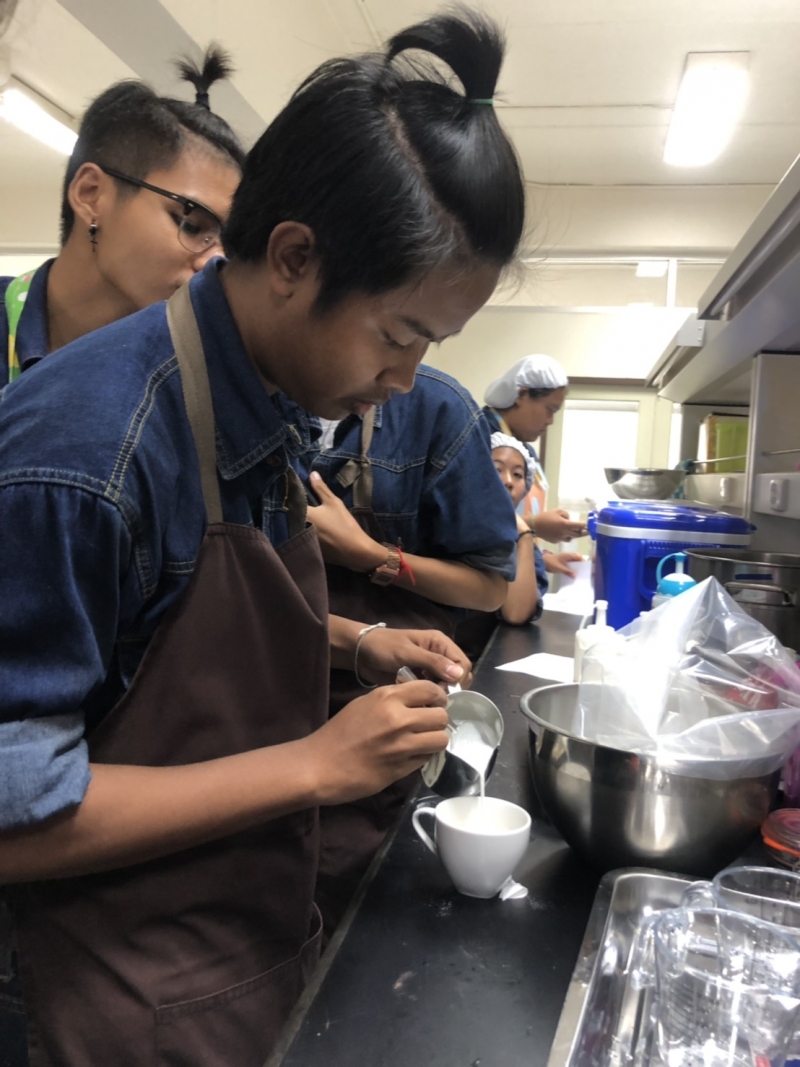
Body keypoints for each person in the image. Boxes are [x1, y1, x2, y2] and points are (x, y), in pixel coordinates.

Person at [0, 9, 525, 1066]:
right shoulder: (89, 450)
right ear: (292, 257)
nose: (406, 380)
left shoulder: (265, 399)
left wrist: (353, 644)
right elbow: (18, 814)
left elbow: (162, 620)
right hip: (122, 999)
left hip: (245, 948)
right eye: (400, 333)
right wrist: (313, 763)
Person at [300, 364, 518, 935]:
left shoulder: (434, 410)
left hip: (377, 699)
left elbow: (491, 587)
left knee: (351, 898)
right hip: (267, 691)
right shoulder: (243, 403)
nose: (397, 370)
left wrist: (371, 556)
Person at [1, 46, 244, 385]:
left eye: (225, 243)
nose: (214, 262)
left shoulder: (196, 381)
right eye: (190, 224)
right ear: (91, 194)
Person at [482, 353, 585, 573]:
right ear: (522, 394)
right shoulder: (480, 440)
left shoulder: (523, 450)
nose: (550, 421)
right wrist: (535, 525)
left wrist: (543, 559)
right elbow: (474, 520)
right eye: (550, 409)